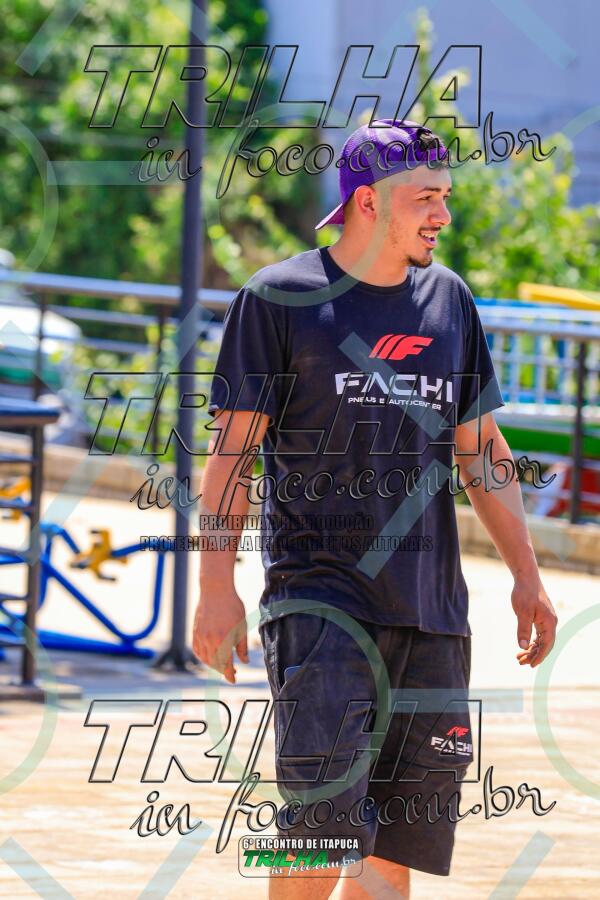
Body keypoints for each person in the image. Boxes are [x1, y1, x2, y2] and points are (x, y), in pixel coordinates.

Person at [192, 119, 558, 899]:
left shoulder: (450, 301)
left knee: (395, 853)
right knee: (318, 837)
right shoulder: (280, 300)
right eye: (426, 198)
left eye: (445, 197)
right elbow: (231, 459)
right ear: (368, 202)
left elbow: (481, 451)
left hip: (432, 616)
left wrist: (527, 576)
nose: (443, 215)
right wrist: (214, 589)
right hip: (321, 606)